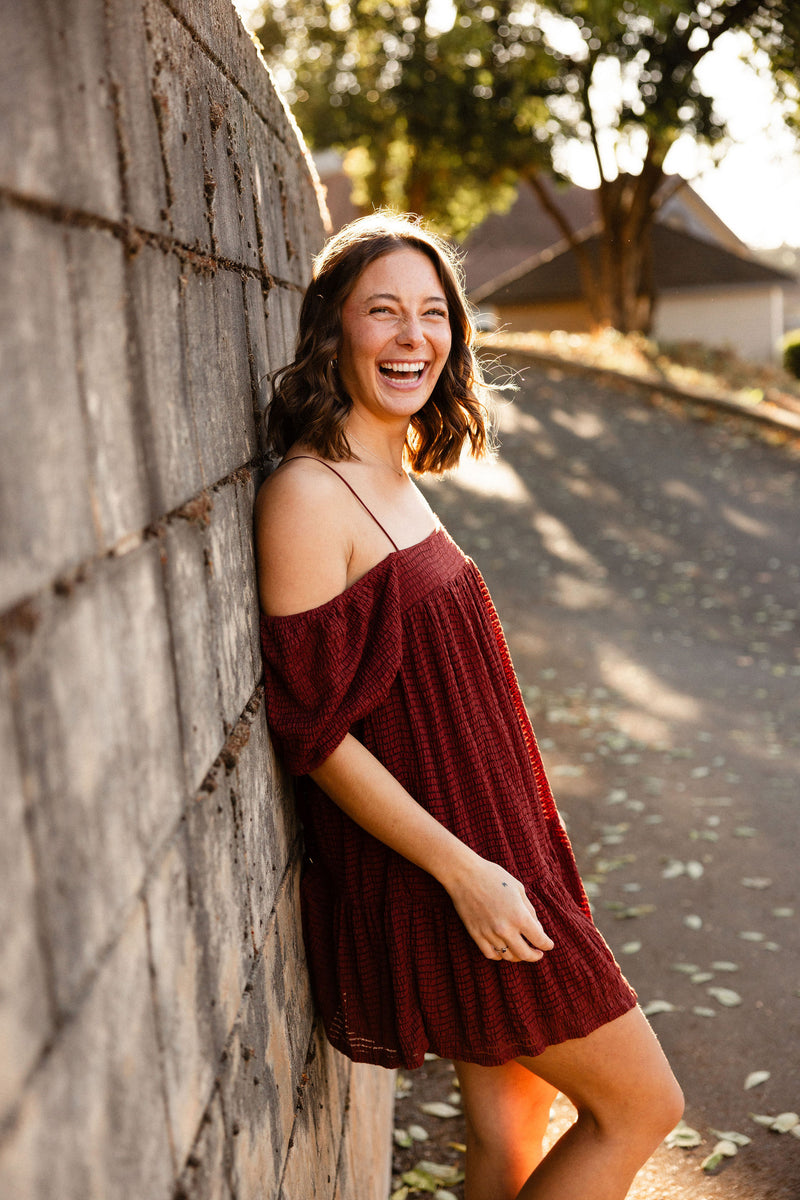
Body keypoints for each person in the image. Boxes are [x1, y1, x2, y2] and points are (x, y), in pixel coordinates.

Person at [254, 212, 683, 1200]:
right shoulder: (310, 496)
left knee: (508, 1130)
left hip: (499, 852)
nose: (413, 337)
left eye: (432, 313)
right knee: (639, 1108)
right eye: (383, 313)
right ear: (333, 329)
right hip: (449, 873)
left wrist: (519, 850)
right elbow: (314, 735)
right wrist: (468, 876)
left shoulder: (388, 472)